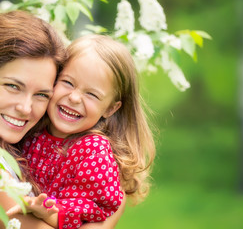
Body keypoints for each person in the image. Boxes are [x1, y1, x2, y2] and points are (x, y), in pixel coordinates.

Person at [0, 11, 125, 229]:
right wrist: (115, 209)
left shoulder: (4, 147)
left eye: (41, 94)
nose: (25, 108)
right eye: (13, 86)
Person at [16, 34, 156, 228]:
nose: (74, 98)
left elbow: (91, 210)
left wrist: (48, 212)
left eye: (91, 94)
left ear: (110, 109)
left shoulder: (93, 150)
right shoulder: (34, 124)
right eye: (68, 82)